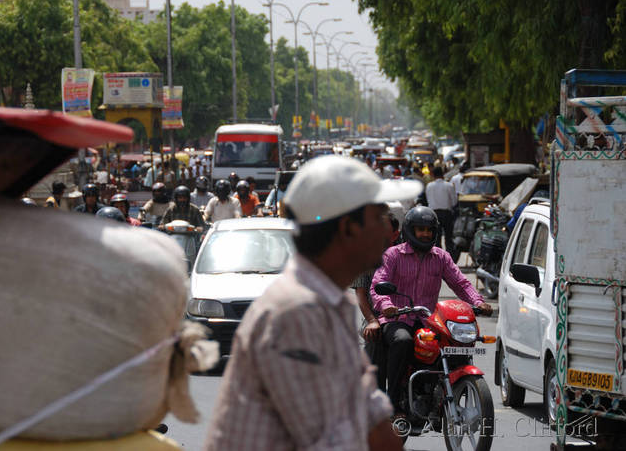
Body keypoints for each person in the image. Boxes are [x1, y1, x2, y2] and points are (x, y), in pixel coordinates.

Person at [204, 155, 407, 451]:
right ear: (348, 228)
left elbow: (370, 413)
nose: (388, 229)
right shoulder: (295, 312)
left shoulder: (327, 304)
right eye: (378, 218)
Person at [370, 206, 492, 414]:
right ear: (410, 230)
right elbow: (377, 285)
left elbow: (461, 283)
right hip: (398, 319)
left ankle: (443, 392)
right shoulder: (393, 255)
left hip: (429, 322)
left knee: (455, 343)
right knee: (402, 340)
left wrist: (478, 302)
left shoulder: (441, 257)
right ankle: (392, 401)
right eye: (420, 229)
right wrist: (387, 306)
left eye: (429, 230)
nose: (425, 234)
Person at [352, 214, 401, 392]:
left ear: (395, 235)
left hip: (406, 318)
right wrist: (373, 320)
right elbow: (361, 294)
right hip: (377, 318)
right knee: (375, 339)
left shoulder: (406, 255)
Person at [425, 166, 457, 251]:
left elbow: (428, 200)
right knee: (449, 238)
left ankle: (438, 259)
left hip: (433, 214)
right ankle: (449, 259)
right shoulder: (449, 185)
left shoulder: (429, 186)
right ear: (442, 174)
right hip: (447, 213)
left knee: (436, 239)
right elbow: (454, 202)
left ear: (433, 175)